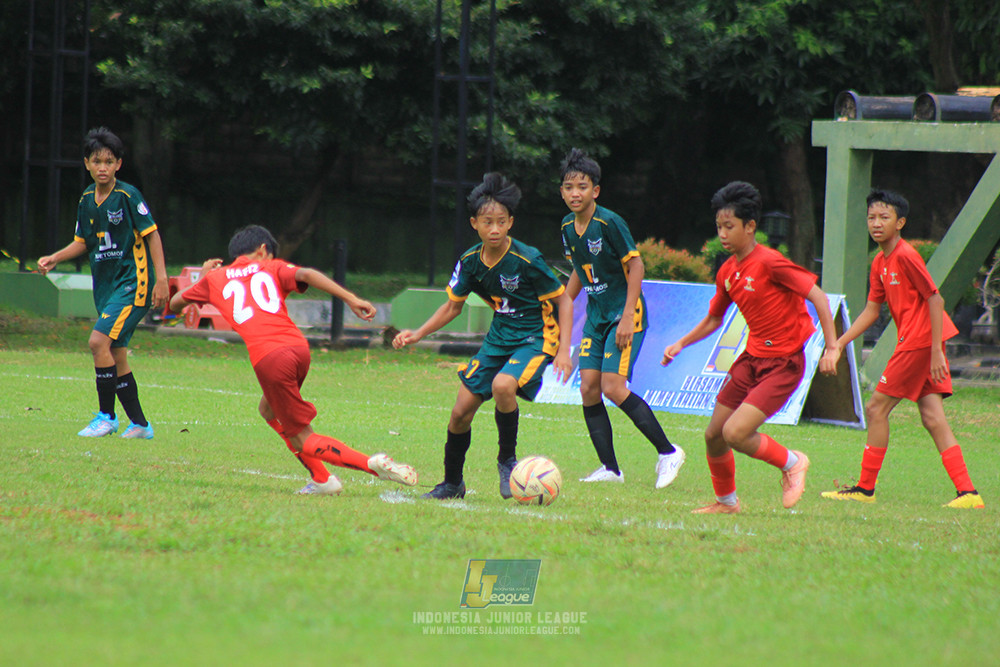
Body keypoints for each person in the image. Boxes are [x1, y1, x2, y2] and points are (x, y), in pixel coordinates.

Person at [168, 225, 417, 495]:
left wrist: (203, 278)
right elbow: (307, 274)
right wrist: (351, 298)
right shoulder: (271, 267)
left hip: (270, 358)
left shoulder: (215, 279)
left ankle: (372, 464)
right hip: (298, 348)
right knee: (269, 410)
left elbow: (175, 304)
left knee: (303, 437)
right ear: (263, 249)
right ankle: (323, 479)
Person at [661, 181, 839, 514]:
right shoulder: (728, 271)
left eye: (729, 226)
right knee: (714, 434)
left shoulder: (770, 262)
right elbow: (714, 319)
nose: (723, 234)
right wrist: (681, 343)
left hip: (784, 363)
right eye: (719, 227)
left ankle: (792, 462)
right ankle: (727, 503)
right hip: (751, 360)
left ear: (750, 226)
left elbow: (818, 297)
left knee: (736, 433)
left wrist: (831, 348)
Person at [393, 172, 572, 500]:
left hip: (535, 337)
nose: (494, 229)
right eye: (487, 222)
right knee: (460, 412)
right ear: (474, 223)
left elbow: (565, 300)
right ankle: (452, 484)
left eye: (501, 222)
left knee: (503, 386)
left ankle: (507, 462)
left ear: (510, 223)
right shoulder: (470, 262)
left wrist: (563, 351)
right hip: (497, 340)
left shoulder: (526, 259)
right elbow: (452, 308)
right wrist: (417, 333)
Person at [820, 189, 984, 509]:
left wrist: (936, 351)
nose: (876, 223)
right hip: (919, 343)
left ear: (900, 223)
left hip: (921, 343)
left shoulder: (906, 255)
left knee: (875, 409)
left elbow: (935, 299)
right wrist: (838, 343)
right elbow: (870, 311)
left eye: (884, 217)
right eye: (871, 217)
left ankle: (865, 489)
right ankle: (968, 494)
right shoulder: (879, 262)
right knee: (933, 417)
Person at [551, 148, 685, 488]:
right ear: (562, 191)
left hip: (626, 315)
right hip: (596, 317)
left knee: (613, 387)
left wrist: (627, 317)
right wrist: (565, 299)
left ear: (595, 190)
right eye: (568, 186)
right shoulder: (567, 226)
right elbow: (581, 269)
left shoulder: (610, 223)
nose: (575, 193)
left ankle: (668, 452)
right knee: (588, 388)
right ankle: (610, 469)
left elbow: (636, 264)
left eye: (582, 186)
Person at [38, 127, 169, 439]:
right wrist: (55, 257)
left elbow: (151, 234)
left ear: (118, 165)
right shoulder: (86, 199)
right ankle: (140, 424)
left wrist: (161, 279)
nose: (102, 167)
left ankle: (107, 417)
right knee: (116, 352)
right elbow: (83, 241)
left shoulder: (127, 196)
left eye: (109, 161)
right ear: (87, 163)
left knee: (98, 342)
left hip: (133, 283)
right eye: (97, 161)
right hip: (106, 286)